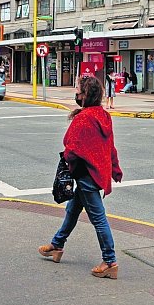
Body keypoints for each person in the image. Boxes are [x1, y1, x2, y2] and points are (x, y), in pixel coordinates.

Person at [39, 75, 123, 278]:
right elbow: (109, 146)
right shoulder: (104, 116)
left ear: (85, 95)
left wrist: (67, 160)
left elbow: (71, 145)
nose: (75, 95)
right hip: (97, 172)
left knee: (99, 219)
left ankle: (110, 261)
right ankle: (57, 244)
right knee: (73, 209)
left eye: (78, 91)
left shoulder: (84, 118)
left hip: (86, 175)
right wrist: (115, 168)